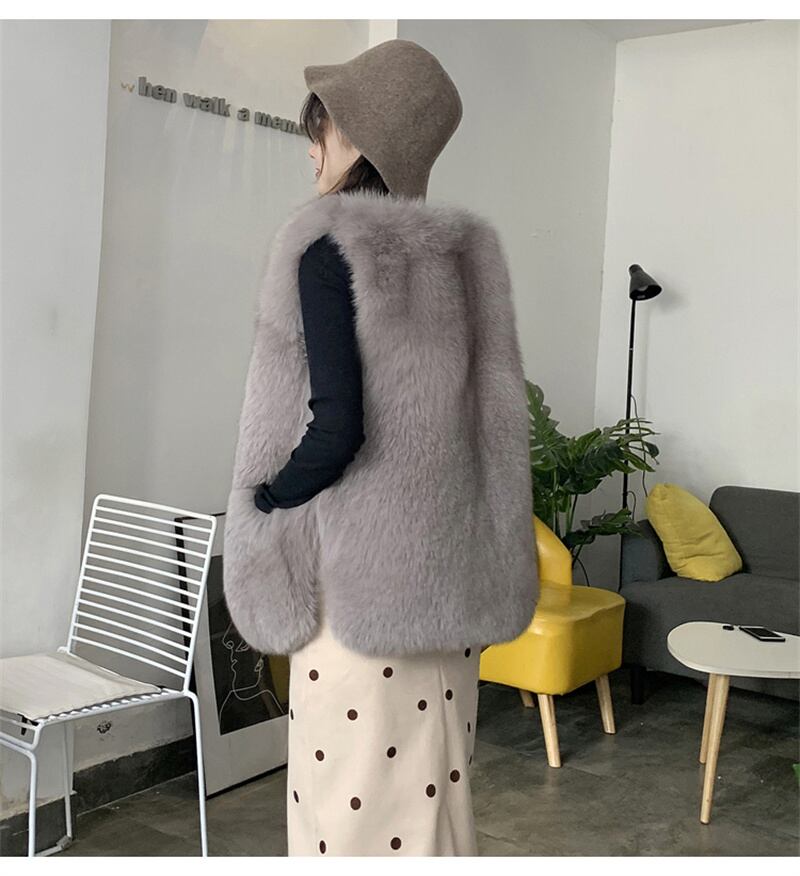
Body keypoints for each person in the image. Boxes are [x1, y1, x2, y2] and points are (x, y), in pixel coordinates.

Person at [222, 39, 539, 857]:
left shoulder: (331, 250)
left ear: (358, 135)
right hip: (442, 596)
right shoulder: (460, 262)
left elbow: (338, 430)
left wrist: (266, 497)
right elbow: (490, 436)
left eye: (319, 129)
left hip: (360, 596)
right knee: (433, 804)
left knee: (348, 814)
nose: (311, 150)